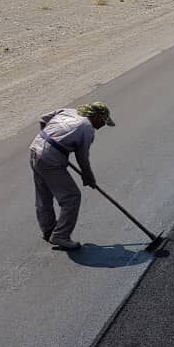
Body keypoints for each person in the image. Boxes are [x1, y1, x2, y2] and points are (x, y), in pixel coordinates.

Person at [29, 102, 115, 250]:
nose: (102, 125)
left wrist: (52, 141)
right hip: (50, 161)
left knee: (44, 196)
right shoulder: (87, 129)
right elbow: (82, 158)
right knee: (71, 197)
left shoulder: (67, 111)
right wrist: (89, 178)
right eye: (103, 121)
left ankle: (48, 230)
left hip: (35, 151)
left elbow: (43, 119)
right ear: (95, 116)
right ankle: (60, 235)